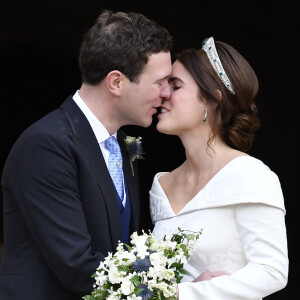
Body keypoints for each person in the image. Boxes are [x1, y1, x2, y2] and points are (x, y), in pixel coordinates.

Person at [0, 10, 173, 300]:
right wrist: (176, 289)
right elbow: (78, 266)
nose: (167, 93)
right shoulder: (46, 146)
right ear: (116, 82)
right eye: (159, 82)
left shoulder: (121, 145)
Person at [150, 37, 288, 299]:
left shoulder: (251, 176)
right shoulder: (162, 185)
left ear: (212, 100)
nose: (163, 94)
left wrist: (183, 294)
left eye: (175, 86)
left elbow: (272, 270)